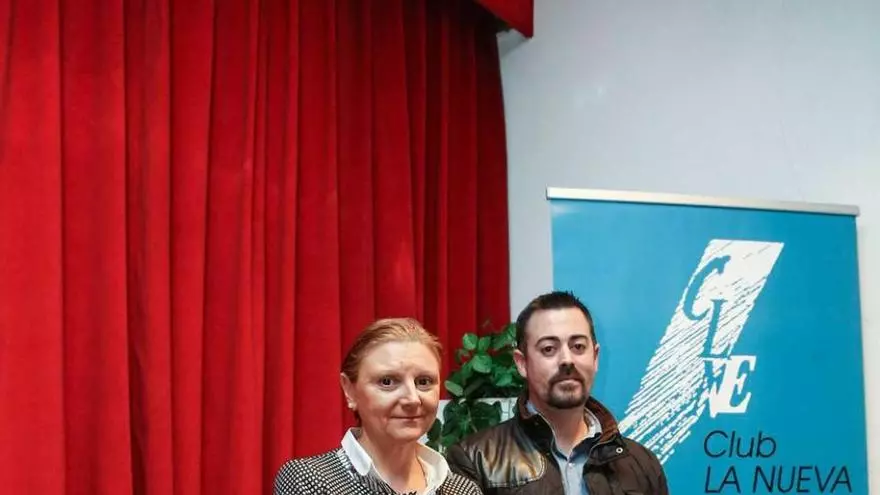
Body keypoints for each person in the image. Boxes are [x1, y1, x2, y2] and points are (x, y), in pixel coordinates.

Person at [445, 291, 668, 494]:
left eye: (578, 346)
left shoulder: (641, 464)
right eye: (549, 349)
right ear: (522, 363)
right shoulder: (474, 460)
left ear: (595, 357)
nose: (567, 360)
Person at [274, 317, 483, 495]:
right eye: (387, 382)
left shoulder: (462, 490)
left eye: (423, 381)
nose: (412, 399)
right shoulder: (310, 480)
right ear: (350, 391)